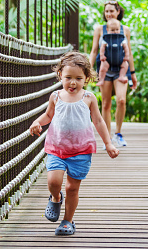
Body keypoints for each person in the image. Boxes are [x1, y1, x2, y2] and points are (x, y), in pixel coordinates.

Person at [29, 51, 119, 236]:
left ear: (86, 78)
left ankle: (67, 221)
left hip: (81, 150)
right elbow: (48, 115)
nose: (72, 82)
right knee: (54, 182)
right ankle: (56, 197)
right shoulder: (55, 96)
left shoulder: (88, 98)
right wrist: (37, 122)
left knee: (72, 188)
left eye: (78, 78)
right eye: (68, 77)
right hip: (57, 147)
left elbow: (99, 121)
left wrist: (108, 143)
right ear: (60, 74)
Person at [89, 0, 137, 147]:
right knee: (105, 104)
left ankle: (118, 134)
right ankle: (107, 138)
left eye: (111, 11)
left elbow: (129, 51)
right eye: (106, 11)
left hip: (121, 69)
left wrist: (133, 73)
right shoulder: (100, 30)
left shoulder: (125, 30)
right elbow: (94, 51)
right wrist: (88, 70)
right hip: (105, 70)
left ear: (118, 12)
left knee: (121, 100)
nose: (109, 14)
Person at [96, 18, 129, 87]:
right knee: (102, 68)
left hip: (120, 60)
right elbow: (102, 48)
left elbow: (126, 48)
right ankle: (101, 80)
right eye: (112, 30)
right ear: (107, 30)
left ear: (120, 29)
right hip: (107, 60)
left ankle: (122, 76)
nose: (115, 32)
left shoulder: (121, 38)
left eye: (117, 30)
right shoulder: (106, 38)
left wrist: (126, 56)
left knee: (125, 65)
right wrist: (102, 55)